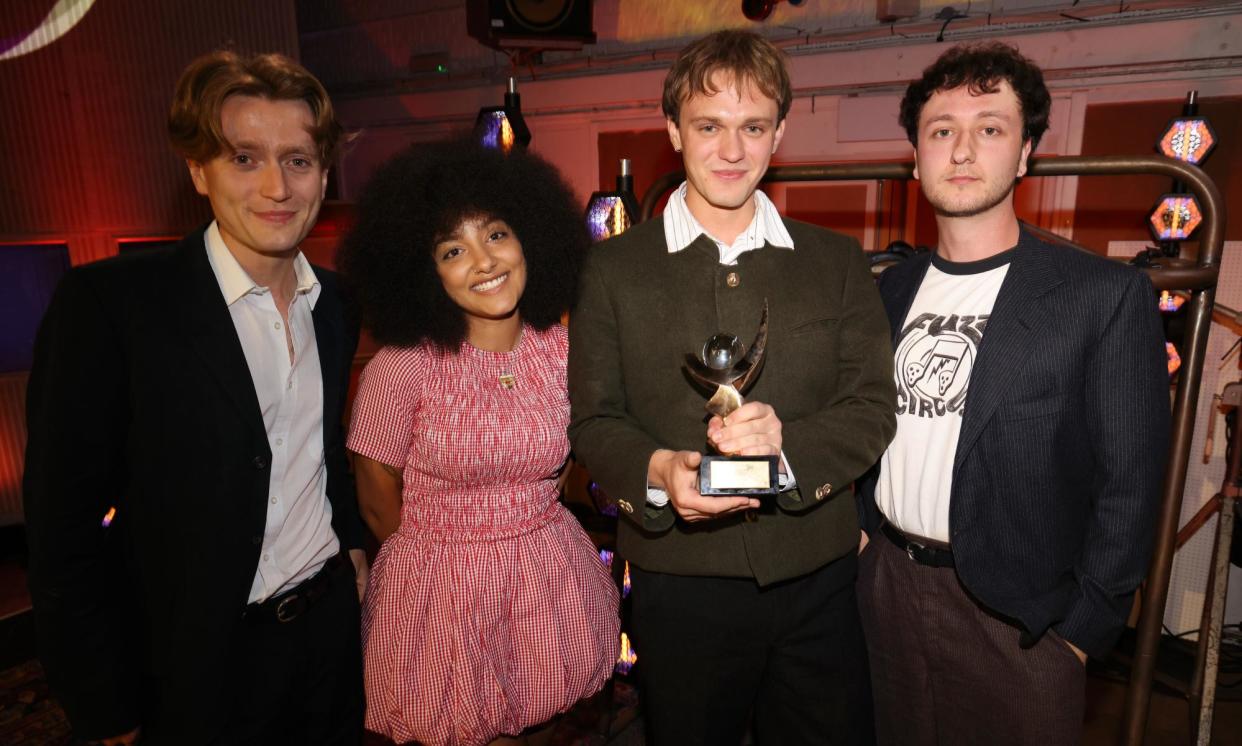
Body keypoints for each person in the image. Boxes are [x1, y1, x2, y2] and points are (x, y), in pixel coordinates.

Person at [23, 51, 367, 745]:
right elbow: (62, 525)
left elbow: (323, 445)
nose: (276, 185)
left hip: (327, 644)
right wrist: (99, 698)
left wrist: (354, 546)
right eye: (245, 158)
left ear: (325, 175)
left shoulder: (334, 303)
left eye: (298, 160)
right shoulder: (110, 306)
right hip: (198, 663)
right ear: (198, 170)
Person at [568, 29, 896, 745]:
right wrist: (658, 470)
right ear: (673, 132)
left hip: (818, 577)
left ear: (779, 134)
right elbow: (594, 420)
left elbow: (872, 406)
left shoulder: (835, 263)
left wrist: (790, 450)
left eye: (752, 127)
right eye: (708, 126)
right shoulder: (615, 269)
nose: (731, 150)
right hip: (679, 584)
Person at [855, 41, 1169, 745]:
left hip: (1022, 622)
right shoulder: (890, 290)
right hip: (887, 592)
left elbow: (1132, 484)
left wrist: (1084, 631)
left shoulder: (1102, 296)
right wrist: (862, 541)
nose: (962, 150)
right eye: (942, 132)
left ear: (1025, 153)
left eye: (990, 129)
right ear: (916, 156)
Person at [338, 141, 620, 746]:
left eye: (495, 235)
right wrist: (451, 577)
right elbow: (376, 500)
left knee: (549, 729)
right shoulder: (401, 368)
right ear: (423, 271)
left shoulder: (561, 351)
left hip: (548, 586)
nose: (482, 261)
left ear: (530, 239)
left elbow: (569, 464)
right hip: (442, 600)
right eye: (452, 249)